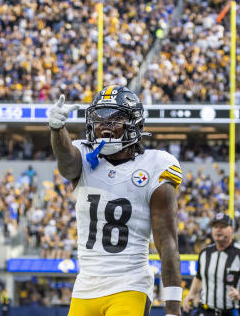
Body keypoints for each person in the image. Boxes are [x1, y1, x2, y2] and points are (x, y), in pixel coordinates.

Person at [49, 86, 183, 316]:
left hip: (129, 283)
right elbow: (66, 163)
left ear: (135, 124)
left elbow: (167, 241)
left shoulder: (155, 165)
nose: (104, 125)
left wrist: (173, 307)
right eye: (100, 118)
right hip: (86, 286)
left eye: (115, 118)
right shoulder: (83, 154)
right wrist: (57, 129)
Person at [182, 213, 240, 316]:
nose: (218, 229)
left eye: (223, 226)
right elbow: (199, 277)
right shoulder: (205, 253)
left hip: (231, 312)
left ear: (232, 229)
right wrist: (191, 294)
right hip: (207, 311)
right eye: (215, 226)